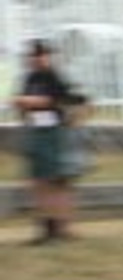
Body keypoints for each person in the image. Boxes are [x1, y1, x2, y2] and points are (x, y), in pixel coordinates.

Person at [11, 40, 89, 245]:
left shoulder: (54, 76)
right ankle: (47, 225)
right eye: (33, 56)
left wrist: (25, 102)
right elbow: (23, 104)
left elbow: (53, 100)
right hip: (36, 130)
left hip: (54, 133)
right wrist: (23, 109)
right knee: (39, 180)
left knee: (56, 181)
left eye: (40, 55)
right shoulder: (30, 77)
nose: (36, 59)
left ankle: (59, 226)